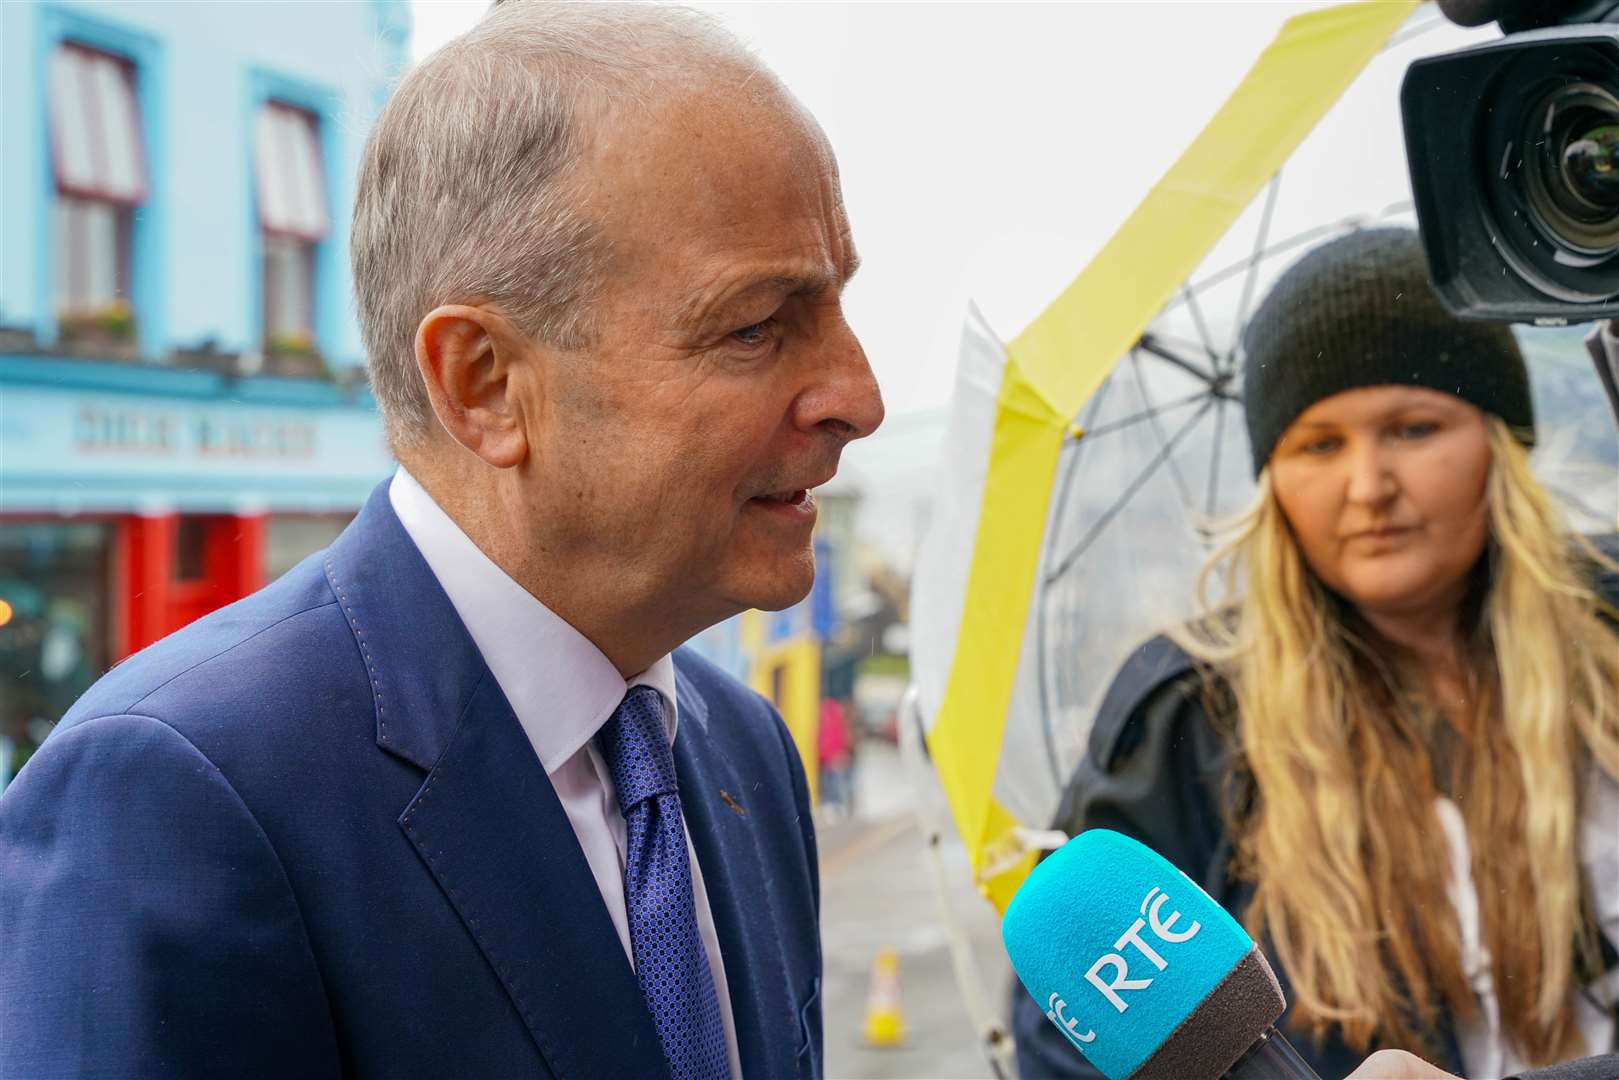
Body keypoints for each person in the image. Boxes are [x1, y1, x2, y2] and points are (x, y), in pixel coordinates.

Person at [0, 5, 883, 1078]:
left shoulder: (741, 745)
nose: (857, 395)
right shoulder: (177, 797)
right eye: (754, 325)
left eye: (835, 304)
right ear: (483, 385)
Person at [1012, 229, 1619, 1079]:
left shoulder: (1609, 621)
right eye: (1319, 444)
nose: (1368, 485)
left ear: (1498, 443)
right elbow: (1068, 1050)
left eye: (1412, 428)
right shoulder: (1188, 721)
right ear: (1272, 478)